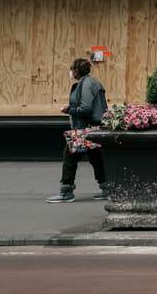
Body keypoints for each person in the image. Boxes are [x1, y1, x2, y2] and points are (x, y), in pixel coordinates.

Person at [45, 57, 109, 203]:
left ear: (76, 71)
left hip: (84, 129)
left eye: (72, 69)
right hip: (93, 128)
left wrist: (69, 109)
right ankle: (107, 188)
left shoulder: (86, 84)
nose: (70, 72)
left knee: (69, 156)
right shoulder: (91, 82)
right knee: (95, 157)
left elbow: (85, 108)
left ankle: (66, 191)